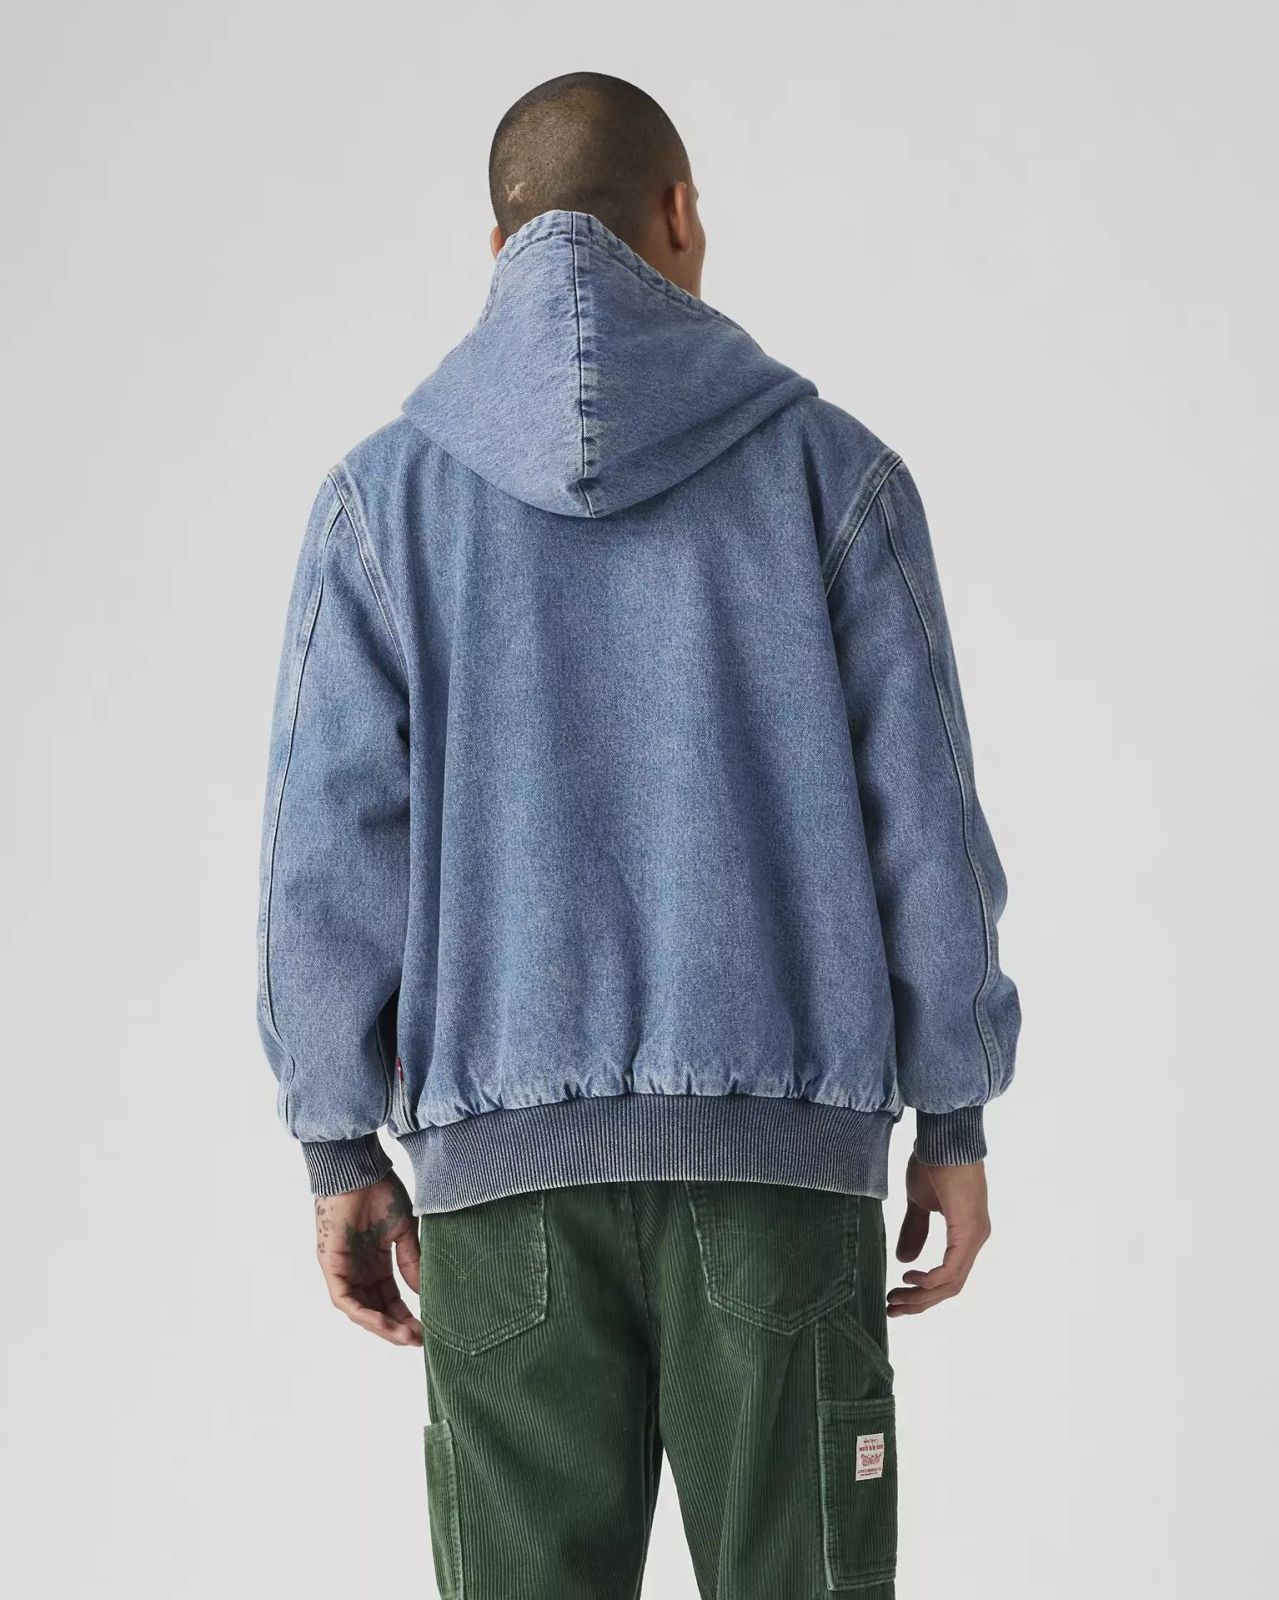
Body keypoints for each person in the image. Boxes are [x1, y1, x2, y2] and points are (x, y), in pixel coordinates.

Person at [256, 70, 1019, 1600]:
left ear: (498, 251)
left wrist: (339, 1139)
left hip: (500, 1193)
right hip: (782, 1168)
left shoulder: (382, 505)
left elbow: (323, 852)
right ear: (680, 215)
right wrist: (953, 1115)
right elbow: (925, 827)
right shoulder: (835, 477)